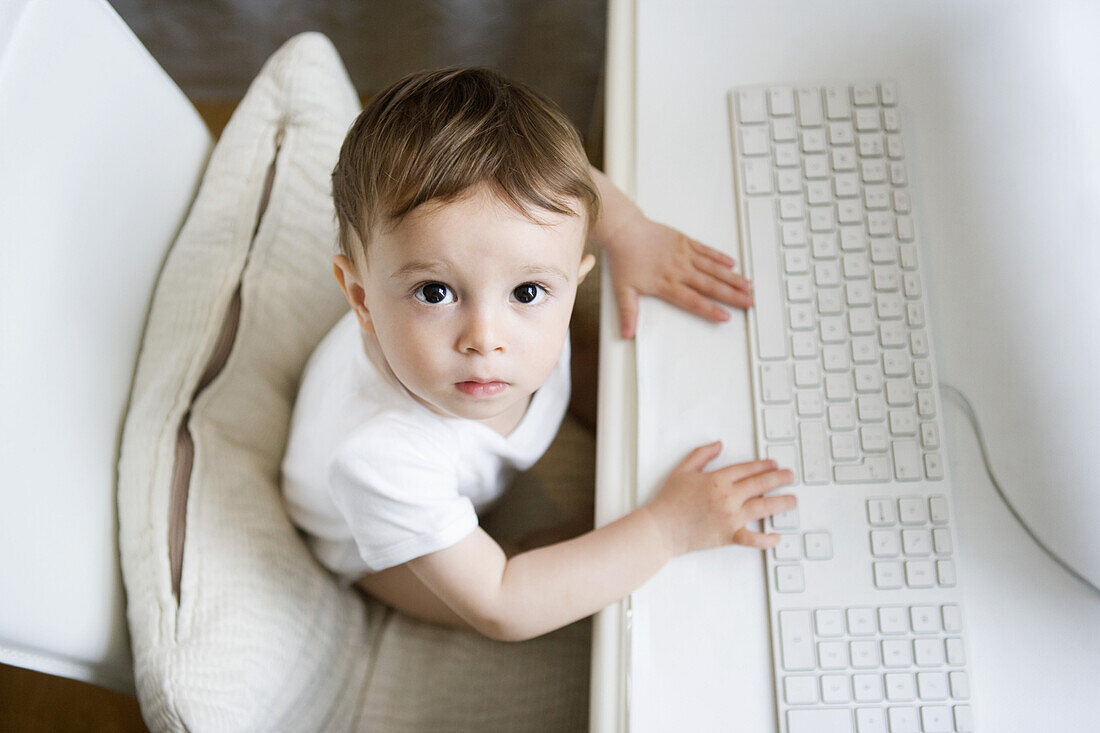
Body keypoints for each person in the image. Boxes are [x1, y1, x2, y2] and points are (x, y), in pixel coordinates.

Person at [280, 67, 796, 642]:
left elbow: (575, 189)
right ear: (361, 298)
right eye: (435, 293)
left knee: (597, 376)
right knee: (527, 574)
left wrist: (629, 230)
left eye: (527, 292)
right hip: (371, 540)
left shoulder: (495, 319)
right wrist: (663, 531)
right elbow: (505, 604)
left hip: (459, 410)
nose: (485, 337)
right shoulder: (379, 459)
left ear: (576, 279)